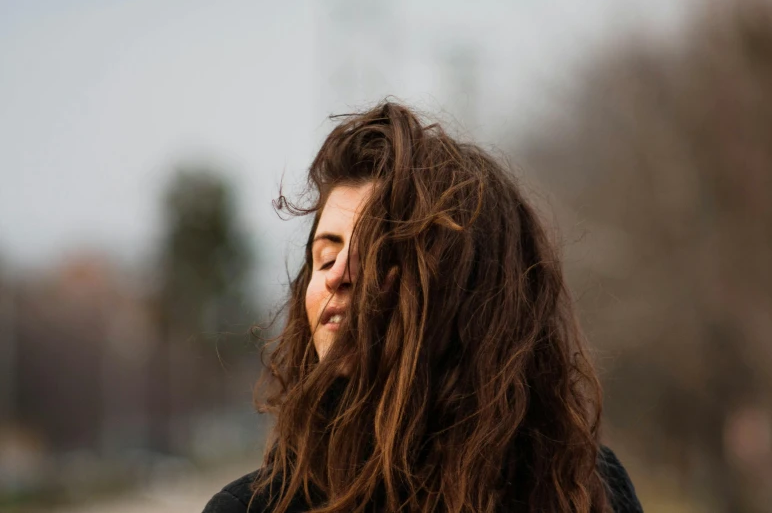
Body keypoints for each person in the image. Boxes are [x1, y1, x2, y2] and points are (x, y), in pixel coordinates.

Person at [203, 102, 643, 513]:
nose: (339, 275)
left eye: (382, 254)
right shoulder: (253, 509)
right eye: (325, 255)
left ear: (473, 296)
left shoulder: (583, 491)